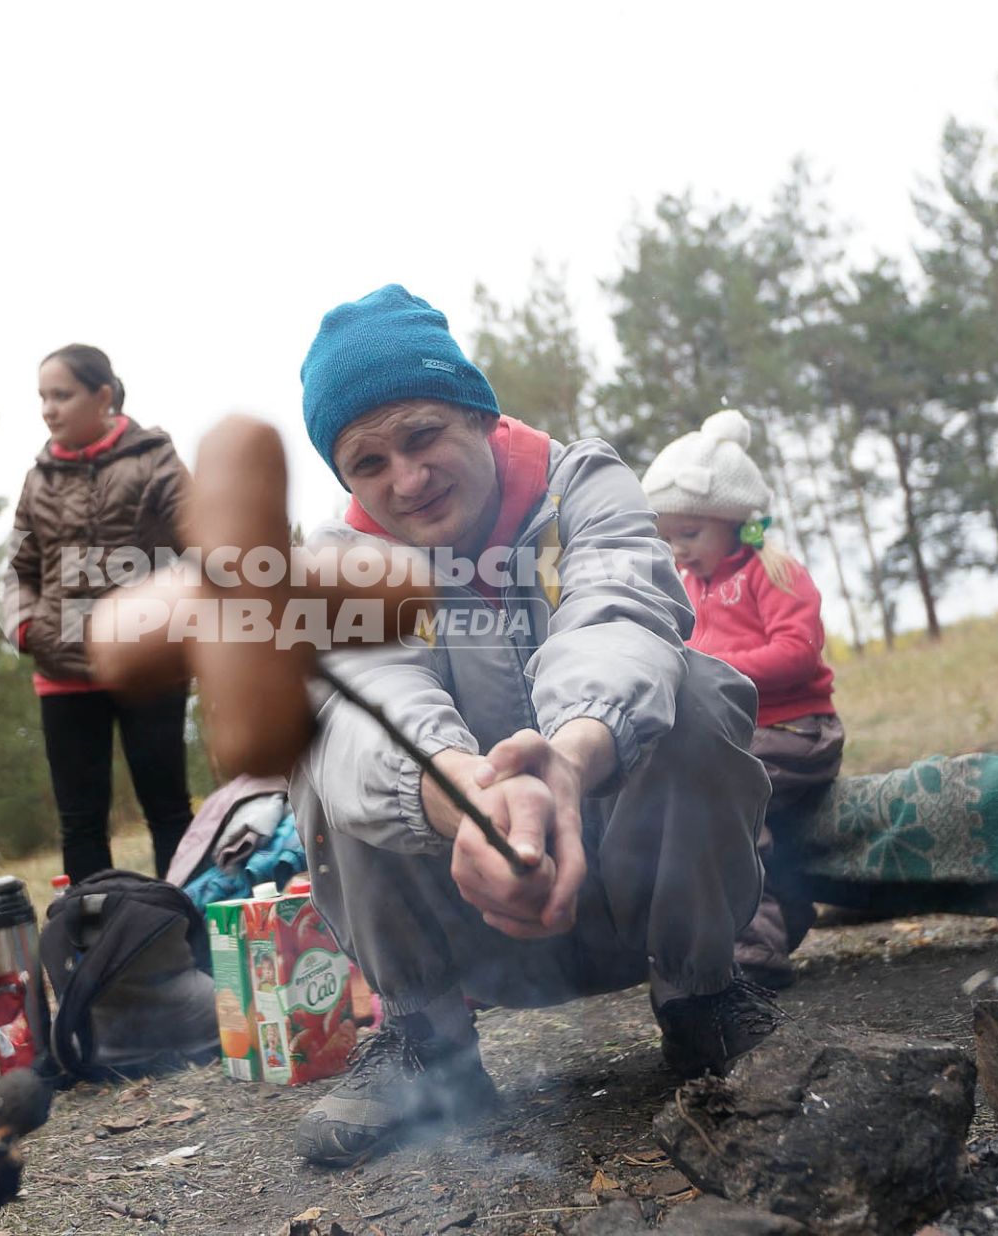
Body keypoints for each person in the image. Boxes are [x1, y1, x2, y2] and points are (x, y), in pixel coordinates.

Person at [288, 285, 776, 1167]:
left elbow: (619, 618)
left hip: (624, 888)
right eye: (367, 461)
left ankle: (701, 995)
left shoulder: (581, 484)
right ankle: (429, 1042)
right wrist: (464, 800)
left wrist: (570, 757)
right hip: (481, 909)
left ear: (477, 414)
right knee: (330, 744)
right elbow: (377, 702)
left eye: (423, 434)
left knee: (694, 690)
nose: (406, 478)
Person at [642, 410, 840, 990]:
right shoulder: (692, 588)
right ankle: (781, 911)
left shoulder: (772, 574)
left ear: (731, 520)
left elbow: (797, 653)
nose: (678, 551)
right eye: (668, 537)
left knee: (719, 792)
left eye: (689, 534)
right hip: (745, 734)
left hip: (799, 731)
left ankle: (753, 949)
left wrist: (710, 672)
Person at [9, 344, 194, 881]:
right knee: (81, 825)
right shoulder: (38, 477)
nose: (48, 409)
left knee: (169, 812)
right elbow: (21, 568)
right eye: (43, 397)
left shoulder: (155, 457)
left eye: (61, 395)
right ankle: (96, 949)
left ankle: (191, 935)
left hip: (148, 662)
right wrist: (25, 628)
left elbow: (198, 537)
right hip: (62, 673)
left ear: (103, 396)